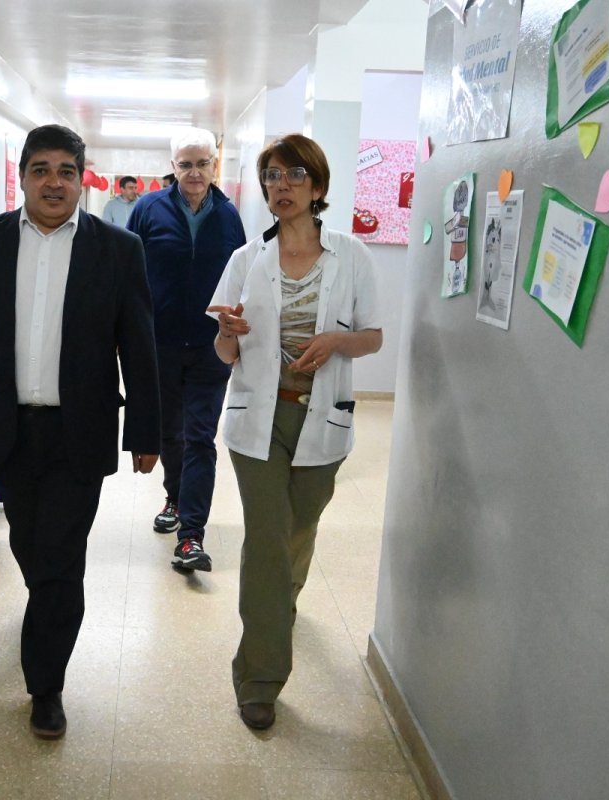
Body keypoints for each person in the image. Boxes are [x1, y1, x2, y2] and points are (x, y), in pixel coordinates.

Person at [0, 124, 161, 740]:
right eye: (42, 170)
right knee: (32, 547)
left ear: (82, 180)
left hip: (80, 430)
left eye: (66, 171)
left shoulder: (118, 249)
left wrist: (146, 432)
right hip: (6, 428)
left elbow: (139, 346)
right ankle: (46, 612)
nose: (54, 182)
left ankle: (45, 686)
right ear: (22, 176)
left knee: (60, 558)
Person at [207, 134, 383, 731]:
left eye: (294, 176)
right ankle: (259, 677)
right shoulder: (245, 259)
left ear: (318, 186)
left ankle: (276, 609)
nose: (281, 186)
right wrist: (227, 333)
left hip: (322, 416)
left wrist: (336, 341)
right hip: (258, 418)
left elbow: (373, 337)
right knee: (266, 539)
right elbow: (225, 351)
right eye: (272, 176)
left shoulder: (351, 256)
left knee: (297, 530)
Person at [127, 128, 247, 572]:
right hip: (158, 343)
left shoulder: (229, 216)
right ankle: (174, 498)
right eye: (185, 164)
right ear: (173, 167)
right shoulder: (147, 210)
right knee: (169, 433)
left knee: (200, 435)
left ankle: (191, 535)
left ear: (215, 166)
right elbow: (126, 273)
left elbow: (243, 277)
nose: (194, 172)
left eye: (202, 164)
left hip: (211, 345)